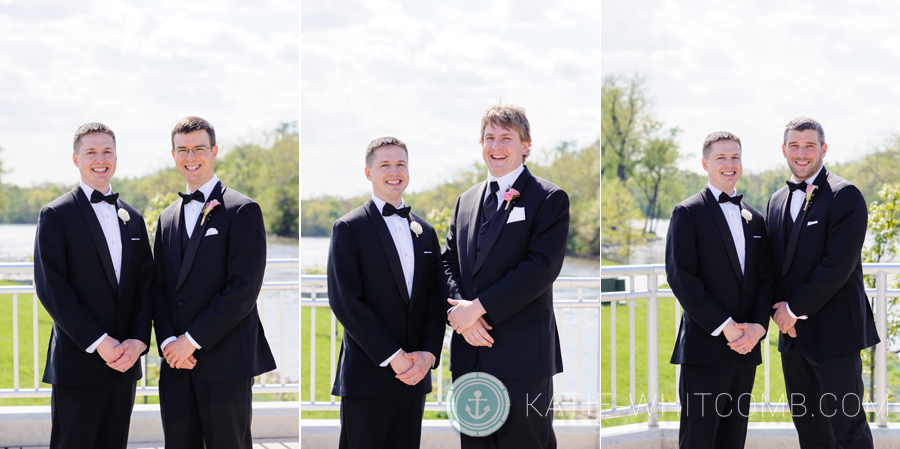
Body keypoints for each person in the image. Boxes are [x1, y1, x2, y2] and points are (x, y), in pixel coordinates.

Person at [442, 104, 569, 449]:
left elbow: (541, 267)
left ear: (525, 145)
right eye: (489, 138)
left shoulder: (549, 198)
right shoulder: (465, 202)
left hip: (524, 356)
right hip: (470, 352)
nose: (496, 146)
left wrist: (479, 308)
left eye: (506, 138)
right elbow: (447, 264)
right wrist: (461, 317)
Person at [150, 116, 276, 449]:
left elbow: (243, 290)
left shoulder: (242, 209)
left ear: (214, 151)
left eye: (199, 149)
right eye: (183, 150)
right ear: (174, 155)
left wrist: (191, 340)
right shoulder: (166, 219)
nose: (191, 157)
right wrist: (168, 344)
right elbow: (159, 288)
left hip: (226, 361)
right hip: (176, 362)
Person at [33, 122, 153, 448]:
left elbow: (145, 287)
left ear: (116, 157)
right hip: (78, 362)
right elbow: (52, 288)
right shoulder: (56, 215)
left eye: (107, 151)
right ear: (76, 159)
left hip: (125, 364)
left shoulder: (134, 218)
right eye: (91, 152)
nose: (100, 159)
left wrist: (138, 342)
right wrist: (99, 342)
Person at [766, 117, 879, 448]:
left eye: (810, 146)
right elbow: (772, 266)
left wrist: (794, 309)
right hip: (793, 337)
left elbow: (837, 266)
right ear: (784, 150)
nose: (802, 154)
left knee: (847, 429)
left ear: (823, 149)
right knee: (810, 431)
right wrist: (776, 313)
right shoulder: (776, 201)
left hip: (836, 336)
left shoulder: (846, 196)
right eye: (795, 146)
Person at [327, 136, 445, 449]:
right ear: (368, 173)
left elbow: (436, 300)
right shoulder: (349, 228)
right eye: (384, 165)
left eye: (400, 164)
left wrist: (428, 355)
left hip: (415, 376)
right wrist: (393, 358)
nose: (394, 171)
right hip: (368, 376)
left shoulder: (426, 232)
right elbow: (345, 301)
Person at [665, 131, 772, 448]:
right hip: (705, 348)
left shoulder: (756, 219)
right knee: (699, 438)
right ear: (705, 163)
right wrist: (725, 327)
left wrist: (758, 328)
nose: (729, 164)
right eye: (721, 157)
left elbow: (766, 279)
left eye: (735, 157)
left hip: (746, 350)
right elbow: (681, 277)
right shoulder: (687, 212)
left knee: (733, 439)